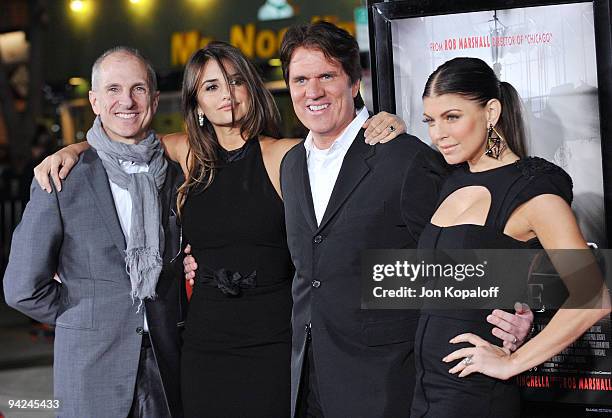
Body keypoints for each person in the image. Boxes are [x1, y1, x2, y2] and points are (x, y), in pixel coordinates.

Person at [32, 41, 405, 417]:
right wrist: (74, 149)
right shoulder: (188, 155)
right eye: (211, 87)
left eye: (236, 82)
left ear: (251, 91)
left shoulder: (286, 154)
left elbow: (344, 154)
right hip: (204, 343)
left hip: (273, 339)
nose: (226, 95)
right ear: (197, 104)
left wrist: (386, 121)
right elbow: (122, 140)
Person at [274, 22, 531, 417]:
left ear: (354, 82)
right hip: (309, 381)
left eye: (327, 76)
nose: (313, 92)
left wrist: (513, 315)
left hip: (387, 383)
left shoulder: (403, 158)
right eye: (300, 79)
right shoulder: (291, 165)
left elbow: (464, 254)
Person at [412, 57, 610, 417]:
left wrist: (512, 362)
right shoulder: (452, 180)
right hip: (428, 392)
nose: (437, 133)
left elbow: (592, 296)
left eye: (452, 117)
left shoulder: (532, 190)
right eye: (430, 120)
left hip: (475, 397)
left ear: (491, 112)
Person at [3, 47, 186, 418]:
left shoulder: (177, 172)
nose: (127, 101)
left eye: (138, 89)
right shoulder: (61, 178)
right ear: (95, 101)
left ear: (153, 97)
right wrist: (83, 317)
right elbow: (21, 287)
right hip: (92, 368)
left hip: (169, 368)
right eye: (114, 89)